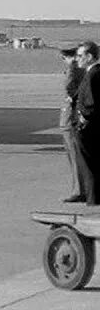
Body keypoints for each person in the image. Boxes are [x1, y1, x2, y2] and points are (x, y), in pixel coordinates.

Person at [72, 41, 100, 205]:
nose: (77, 59)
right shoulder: (94, 72)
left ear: (89, 57)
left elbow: (90, 102)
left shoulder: (93, 74)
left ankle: (93, 199)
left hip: (88, 128)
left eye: (81, 56)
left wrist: (84, 120)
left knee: (89, 164)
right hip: (92, 127)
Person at [59, 47, 87, 202]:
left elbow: (69, 89)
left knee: (74, 155)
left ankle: (79, 191)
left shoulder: (73, 70)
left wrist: (72, 98)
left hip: (71, 119)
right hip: (75, 118)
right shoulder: (81, 70)